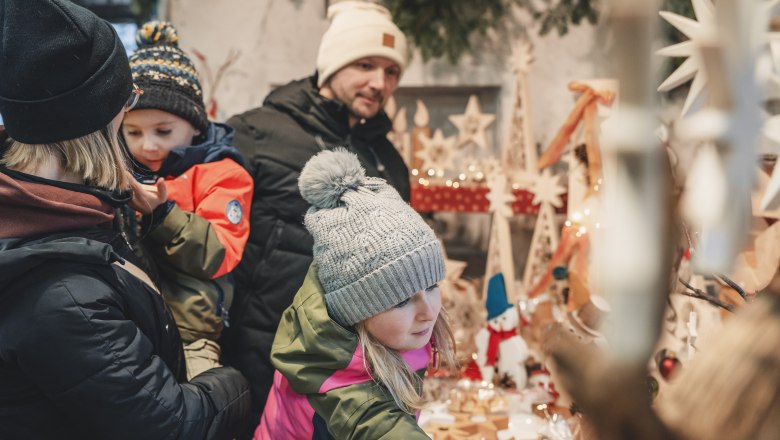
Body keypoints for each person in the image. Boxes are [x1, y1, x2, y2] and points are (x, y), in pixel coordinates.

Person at [0, 1, 249, 438]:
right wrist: (241, 382)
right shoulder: (63, 296)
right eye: (129, 105)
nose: (145, 143)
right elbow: (176, 425)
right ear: (102, 120)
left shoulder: (82, 202)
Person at [223, 2, 411, 433]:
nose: (379, 82)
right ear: (332, 63)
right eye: (365, 65)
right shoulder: (255, 132)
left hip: (348, 370)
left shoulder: (388, 161)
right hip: (256, 356)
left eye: (391, 72)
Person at [254, 149, 456, 439]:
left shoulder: (386, 339)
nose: (429, 312)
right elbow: (379, 423)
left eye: (432, 286)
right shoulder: (337, 384)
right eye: (401, 300)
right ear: (355, 310)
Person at [122, 20, 254, 379]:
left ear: (195, 124)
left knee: (198, 401)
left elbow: (219, 254)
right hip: (126, 321)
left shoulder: (222, 173)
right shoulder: (118, 168)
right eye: (133, 132)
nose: (148, 145)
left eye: (163, 131)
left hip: (190, 335)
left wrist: (164, 215)